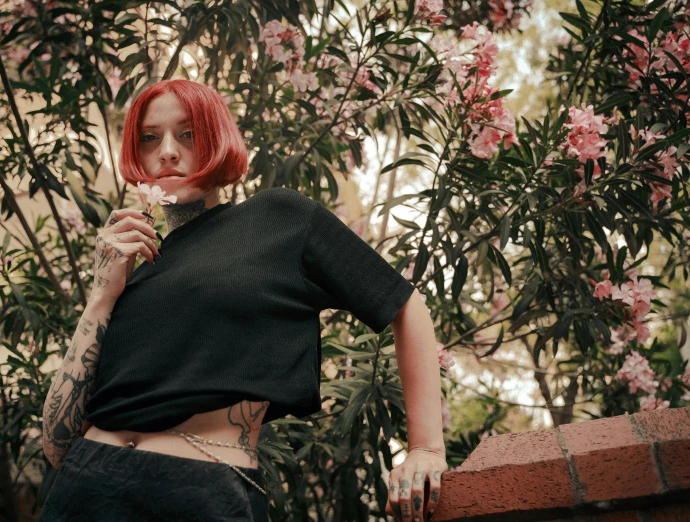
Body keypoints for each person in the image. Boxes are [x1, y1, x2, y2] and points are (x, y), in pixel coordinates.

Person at [39, 79, 447, 522]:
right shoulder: (137, 270)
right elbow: (57, 445)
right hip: (84, 486)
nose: (168, 151)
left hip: (199, 491)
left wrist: (425, 447)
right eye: (150, 138)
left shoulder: (278, 218)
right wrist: (103, 294)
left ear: (217, 138)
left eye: (188, 133)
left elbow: (406, 306)